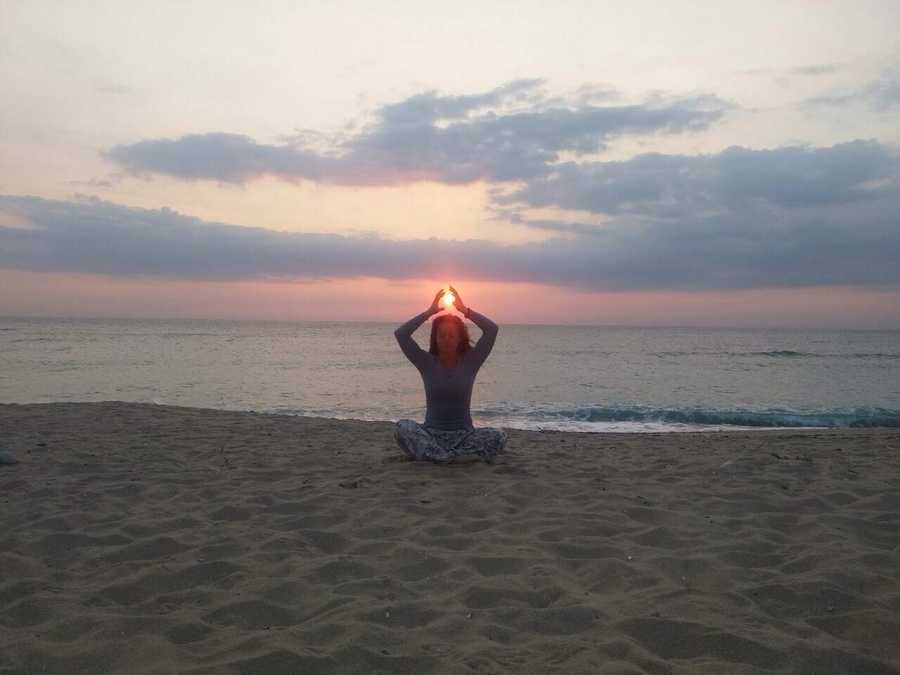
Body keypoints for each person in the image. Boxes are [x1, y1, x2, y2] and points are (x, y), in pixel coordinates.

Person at [394, 285, 508, 464]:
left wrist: (465, 310)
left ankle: (442, 457)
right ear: (435, 339)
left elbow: (492, 329)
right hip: (431, 435)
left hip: (464, 437)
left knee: (499, 435)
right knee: (402, 427)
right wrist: (428, 313)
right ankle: (450, 458)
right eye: (442, 335)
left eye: (451, 335)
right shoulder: (426, 363)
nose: (446, 339)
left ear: (459, 339)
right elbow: (401, 334)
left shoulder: (471, 361)